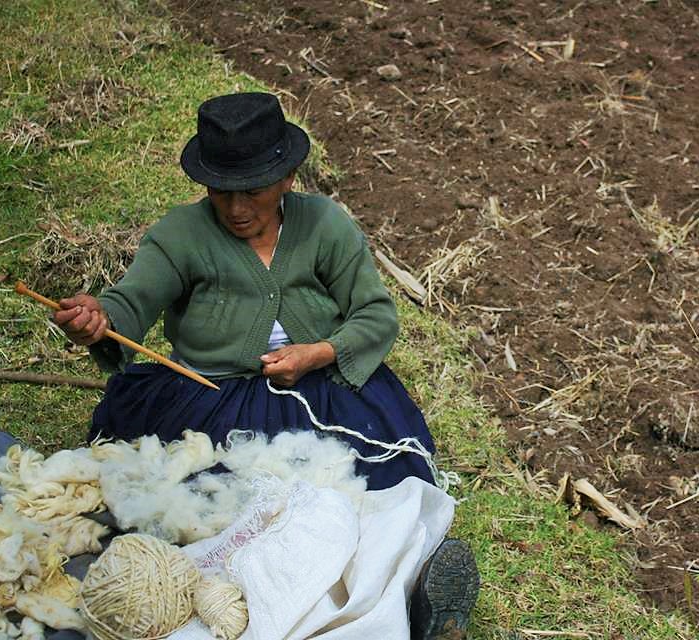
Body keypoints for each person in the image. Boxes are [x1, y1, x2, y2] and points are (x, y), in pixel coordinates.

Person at [47, 92, 478, 640]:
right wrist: (100, 316)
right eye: (222, 191)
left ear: (287, 178)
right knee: (214, 513)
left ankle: (399, 596)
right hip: (210, 397)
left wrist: (318, 352)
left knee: (364, 498)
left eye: (251, 190)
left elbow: (373, 313)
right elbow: (133, 301)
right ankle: (264, 606)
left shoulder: (325, 226)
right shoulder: (180, 234)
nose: (236, 208)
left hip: (322, 394)